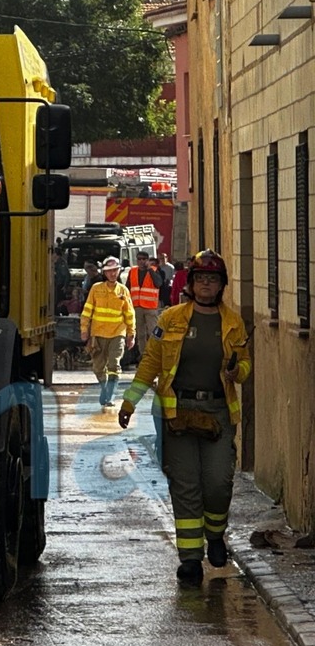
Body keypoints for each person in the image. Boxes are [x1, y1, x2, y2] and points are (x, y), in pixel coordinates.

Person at [118, 249, 252, 585]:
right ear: (191, 283)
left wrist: (238, 369)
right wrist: (129, 403)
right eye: (201, 278)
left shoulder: (233, 322)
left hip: (218, 413)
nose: (207, 284)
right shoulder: (171, 318)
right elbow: (150, 363)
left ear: (221, 285)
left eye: (213, 279)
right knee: (185, 486)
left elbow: (246, 368)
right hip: (179, 413)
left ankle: (216, 535)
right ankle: (191, 559)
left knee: (219, 482)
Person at [79, 256, 135, 408]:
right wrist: (84, 330)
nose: (112, 274)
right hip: (98, 334)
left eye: (115, 270)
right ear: (104, 272)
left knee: (114, 364)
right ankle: (104, 388)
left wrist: (131, 334)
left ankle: (109, 396)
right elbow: (87, 311)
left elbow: (129, 314)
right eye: (109, 271)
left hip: (118, 334)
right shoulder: (96, 289)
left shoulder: (123, 291)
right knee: (98, 367)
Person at [128, 251, 165, 361]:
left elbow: (159, 283)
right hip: (137, 306)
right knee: (140, 334)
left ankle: (156, 354)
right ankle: (144, 355)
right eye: (139, 259)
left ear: (147, 260)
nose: (141, 261)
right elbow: (128, 287)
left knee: (153, 332)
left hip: (150, 307)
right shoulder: (132, 271)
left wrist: (150, 269)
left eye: (144, 259)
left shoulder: (153, 270)